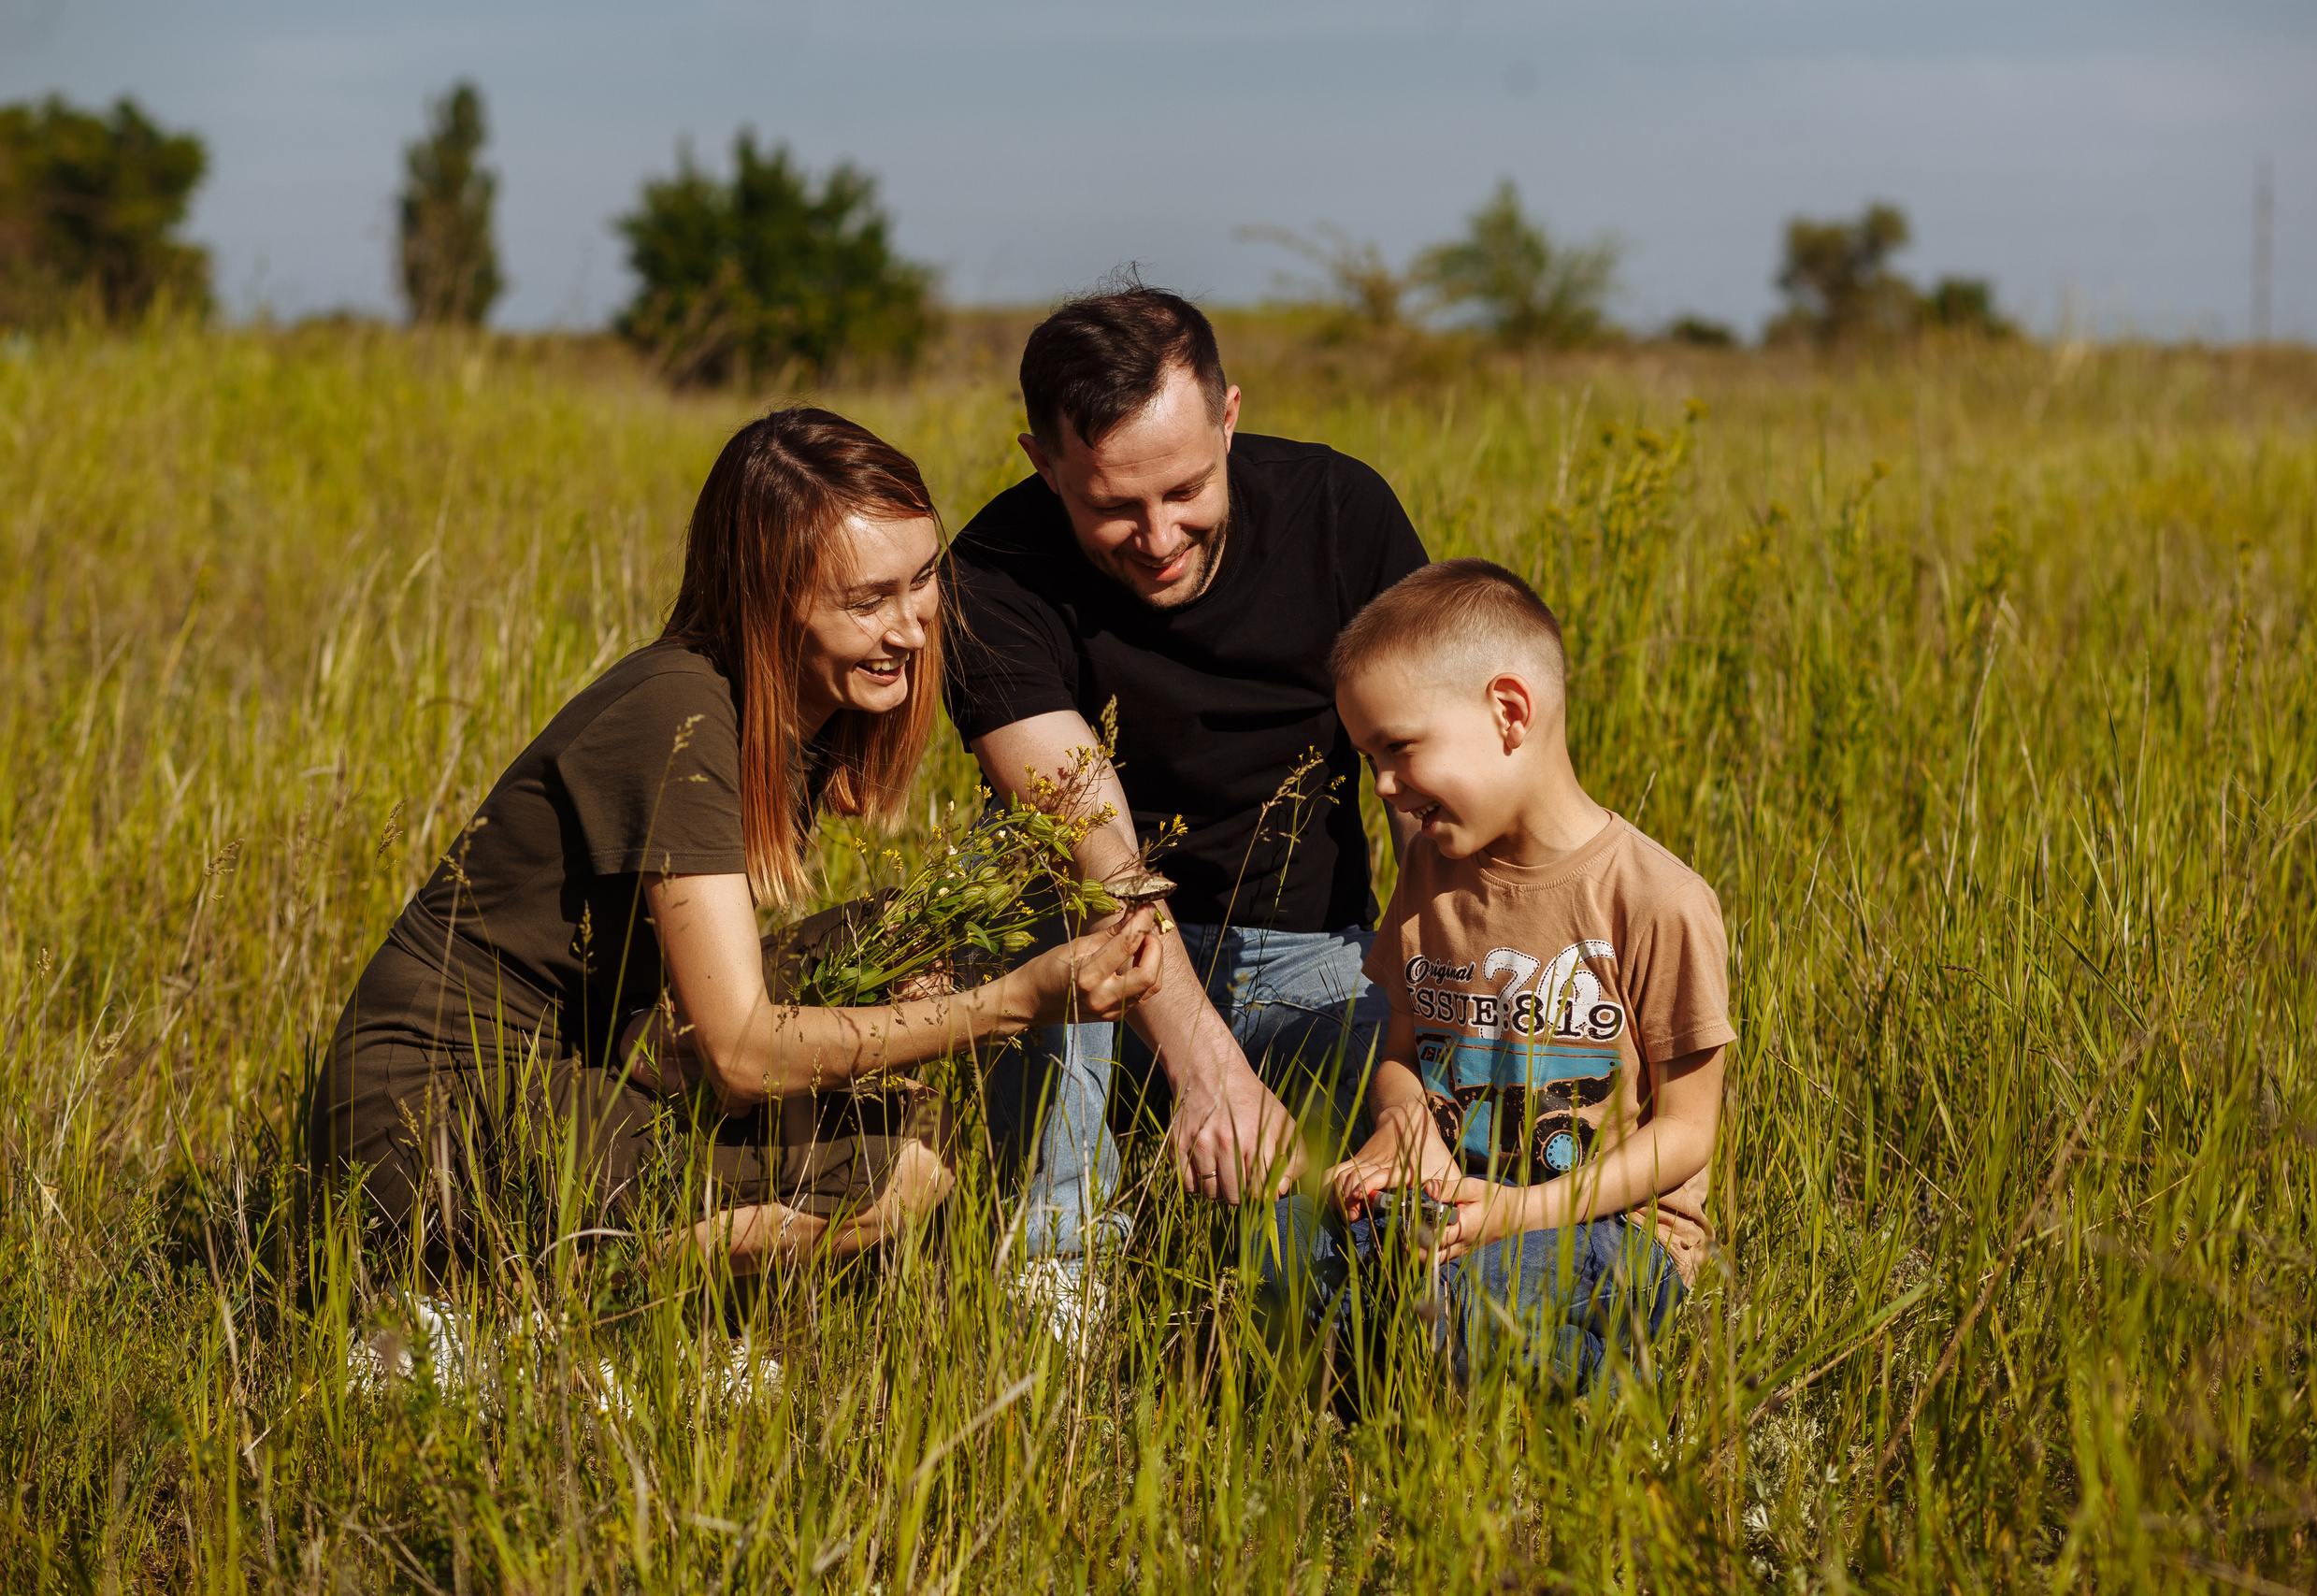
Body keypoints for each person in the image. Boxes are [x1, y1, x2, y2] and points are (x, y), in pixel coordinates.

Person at [309, 408, 1160, 1298]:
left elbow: (694, 1013)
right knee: (900, 1172)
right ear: (767, 599)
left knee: (924, 944)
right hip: (427, 1122)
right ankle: (522, 1310)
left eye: (920, 582)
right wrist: (1016, 1002)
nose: (910, 628)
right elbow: (746, 1051)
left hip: (578, 1064)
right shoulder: (679, 711)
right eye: (867, 601)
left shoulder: (798, 707)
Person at [942, 282, 1428, 1307]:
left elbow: (1429, 799)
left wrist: (1431, 1018)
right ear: (1042, 464)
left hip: (1309, 953)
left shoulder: (1343, 514)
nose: (1159, 537)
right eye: (1112, 506)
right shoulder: (990, 572)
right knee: (1036, 904)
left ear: (1228, 418)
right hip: (1090, 961)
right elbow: (1092, 848)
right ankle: (1055, 1285)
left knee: (1419, 1125)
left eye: (1186, 490)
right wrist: (1205, 1064)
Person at [1259, 558, 1735, 1393]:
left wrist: (1520, 1211)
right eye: (1370, 758)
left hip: (1605, 1224)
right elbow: (1402, 1048)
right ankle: (1409, 1357)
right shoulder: (1429, 883)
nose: (1384, 786)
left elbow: (1688, 1134)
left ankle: (1599, 1401)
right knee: (1285, 1259)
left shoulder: (1657, 900)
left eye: (1400, 749)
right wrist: (1404, 1129)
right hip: (1455, 1210)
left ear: (1509, 712)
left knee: (1483, 1306)